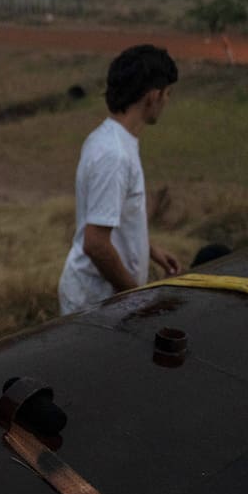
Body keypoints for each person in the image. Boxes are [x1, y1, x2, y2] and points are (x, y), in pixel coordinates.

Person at [58, 44, 181, 315]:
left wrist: (149, 248)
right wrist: (138, 299)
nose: (167, 101)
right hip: (96, 303)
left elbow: (113, 218)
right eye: (167, 93)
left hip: (105, 299)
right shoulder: (113, 156)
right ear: (153, 96)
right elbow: (96, 244)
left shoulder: (112, 141)